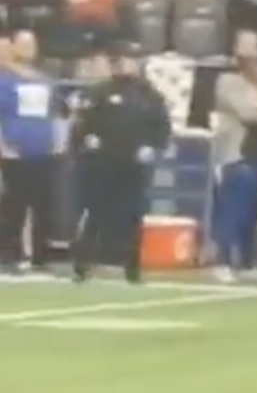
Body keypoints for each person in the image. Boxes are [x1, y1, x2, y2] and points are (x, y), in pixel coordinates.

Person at [70, 41, 170, 284]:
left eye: (129, 59)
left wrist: (152, 147)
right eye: (120, 59)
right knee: (95, 214)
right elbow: (82, 124)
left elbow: (162, 128)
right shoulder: (99, 91)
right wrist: (85, 141)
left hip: (134, 166)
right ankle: (83, 266)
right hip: (102, 163)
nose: (124, 63)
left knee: (133, 216)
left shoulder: (151, 95)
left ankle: (131, 267)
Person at [211, 30, 257, 284]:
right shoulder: (228, 80)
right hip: (237, 152)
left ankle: (247, 261)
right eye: (244, 48)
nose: (249, 54)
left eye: (253, 48)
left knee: (254, 212)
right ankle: (222, 260)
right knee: (233, 208)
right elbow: (249, 113)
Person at [0, 30, 63, 274]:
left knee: (43, 206)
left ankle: (40, 257)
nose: (28, 48)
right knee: (14, 206)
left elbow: (55, 114)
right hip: (15, 152)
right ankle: (9, 255)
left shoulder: (45, 80)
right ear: (13, 47)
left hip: (44, 152)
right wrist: (3, 146)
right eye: (23, 44)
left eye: (32, 44)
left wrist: (58, 142)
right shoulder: (5, 81)